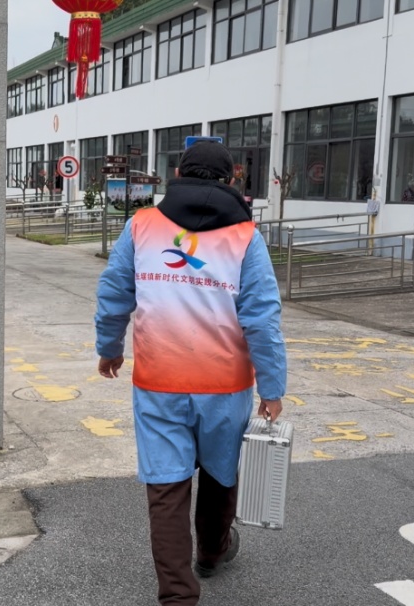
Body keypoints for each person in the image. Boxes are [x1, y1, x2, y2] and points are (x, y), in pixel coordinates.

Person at [94, 140, 287, 606]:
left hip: (159, 380)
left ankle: (178, 595)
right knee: (220, 474)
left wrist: (109, 349)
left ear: (178, 174)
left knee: (166, 485)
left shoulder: (141, 225)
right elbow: (262, 318)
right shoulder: (246, 236)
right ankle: (212, 552)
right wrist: (272, 386)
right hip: (225, 384)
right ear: (232, 179)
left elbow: (115, 292)